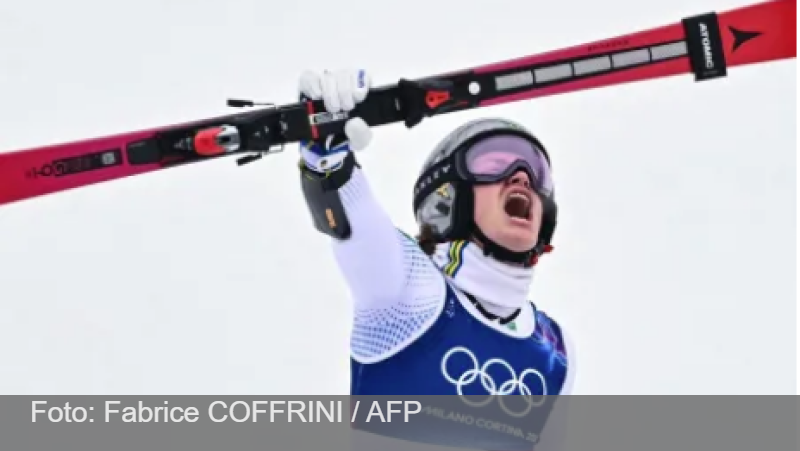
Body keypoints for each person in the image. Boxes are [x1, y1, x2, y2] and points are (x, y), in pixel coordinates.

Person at [296, 68, 575, 450]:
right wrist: (325, 151)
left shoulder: (556, 351)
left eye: (535, 173)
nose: (522, 179)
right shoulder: (410, 292)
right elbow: (356, 225)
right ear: (446, 199)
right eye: (494, 165)